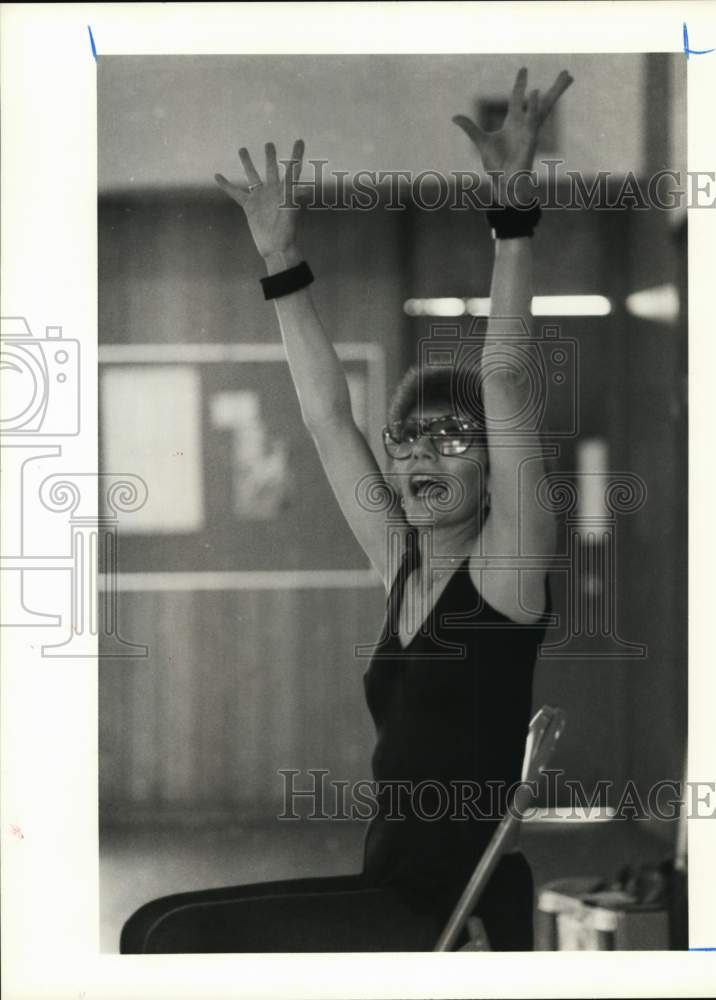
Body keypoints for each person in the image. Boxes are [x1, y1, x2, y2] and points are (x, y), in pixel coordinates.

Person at [120, 66, 573, 954]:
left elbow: (502, 380)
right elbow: (329, 419)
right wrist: (278, 259)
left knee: (178, 943)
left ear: (494, 468)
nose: (420, 456)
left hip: (449, 910)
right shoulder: (399, 560)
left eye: (452, 439)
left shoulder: (509, 570)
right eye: (407, 440)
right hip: (387, 886)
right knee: (148, 923)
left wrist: (511, 216)